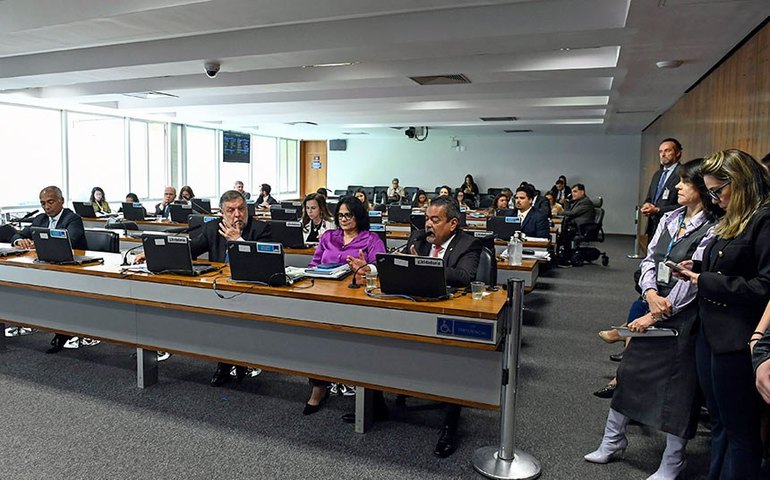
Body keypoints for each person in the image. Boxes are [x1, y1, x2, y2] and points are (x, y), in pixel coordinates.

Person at [584, 159, 718, 479]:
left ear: (701, 189)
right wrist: (649, 294)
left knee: (679, 390)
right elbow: (649, 260)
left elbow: (693, 278)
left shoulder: (713, 228)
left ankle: (673, 460)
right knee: (630, 372)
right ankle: (612, 441)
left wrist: (659, 310)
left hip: (685, 317)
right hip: (654, 305)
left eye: (684, 183)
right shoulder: (670, 218)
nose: (676, 187)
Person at [676, 149, 770, 479]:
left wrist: (706, 280)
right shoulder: (734, 218)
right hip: (711, 332)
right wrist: (698, 268)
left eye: (719, 191)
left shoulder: (764, 219)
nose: (715, 199)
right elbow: (730, 266)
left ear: (741, 183)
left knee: (740, 432)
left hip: (737, 337)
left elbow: (764, 286)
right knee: (719, 422)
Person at [403, 195, 482, 457]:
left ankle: (450, 421)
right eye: (426, 218)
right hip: (414, 307)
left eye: (435, 220)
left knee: (450, 358)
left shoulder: (468, 244)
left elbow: (464, 277)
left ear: (453, 224)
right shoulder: (418, 239)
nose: (428, 224)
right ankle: (376, 402)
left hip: (447, 311)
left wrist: (426, 265)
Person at [303, 196, 386, 415]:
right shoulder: (329, 236)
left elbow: (382, 267)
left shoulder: (371, 239)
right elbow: (314, 264)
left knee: (356, 346)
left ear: (358, 216)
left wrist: (367, 267)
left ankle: (366, 395)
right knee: (317, 342)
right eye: (340, 215)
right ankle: (319, 387)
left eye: (348, 215)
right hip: (324, 296)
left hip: (356, 299)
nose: (343, 219)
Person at [192, 190, 272, 386]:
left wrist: (237, 241)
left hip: (253, 289)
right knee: (219, 322)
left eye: (241, 209)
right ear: (222, 213)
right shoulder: (213, 228)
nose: (237, 215)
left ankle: (245, 361)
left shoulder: (261, 229)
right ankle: (224, 364)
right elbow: (191, 248)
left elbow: (266, 263)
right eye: (231, 210)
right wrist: (149, 252)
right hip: (220, 289)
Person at [11, 186, 87, 353]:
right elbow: (18, 235)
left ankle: (63, 331)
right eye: (43, 203)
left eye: (50, 202)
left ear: (61, 201)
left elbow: (70, 241)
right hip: (46, 265)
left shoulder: (72, 218)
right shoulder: (40, 219)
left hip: (70, 269)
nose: (46, 206)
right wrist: (20, 242)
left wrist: (36, 243)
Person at [642, 138, 683, 239]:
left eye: (667, 150)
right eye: (660, 151)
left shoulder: (683, 174)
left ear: (678, 153)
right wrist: (647, 204)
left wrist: (658, 210)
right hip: (653, 224)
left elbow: (683, 206)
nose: (663, 154)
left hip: (671, 226)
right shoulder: (657, 174)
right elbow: (650, 197)